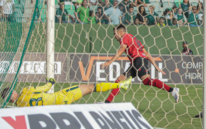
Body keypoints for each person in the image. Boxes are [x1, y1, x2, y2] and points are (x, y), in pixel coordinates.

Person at [101, 25, 180, 103]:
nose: (114, 36)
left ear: (121, 32)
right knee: (119, 81)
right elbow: (146, 53)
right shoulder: (133, 38)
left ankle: (172, 90)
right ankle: (107, 103)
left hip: (138, 60)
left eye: (115, 33)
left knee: (146, 80)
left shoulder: (125, 37)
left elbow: (122, 50)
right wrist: (155, 66)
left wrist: (110, 61)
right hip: (138, 61)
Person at [1, 77, 132, 107]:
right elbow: (45, 88)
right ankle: (121, 84)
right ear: (12, 94)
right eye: (13, 91)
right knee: (92, 87)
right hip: (62, 96)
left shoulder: (19, 107)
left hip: (57, 109)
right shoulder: (26, 91)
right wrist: (51, 82)